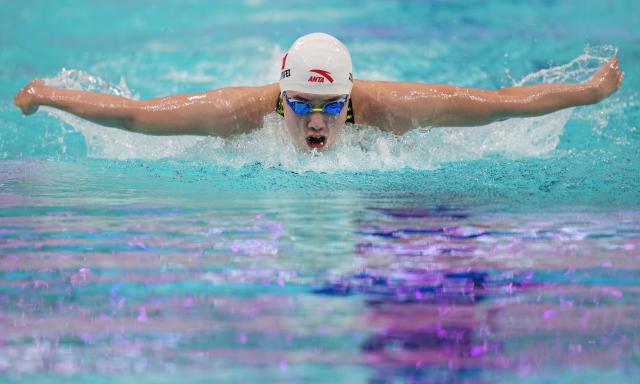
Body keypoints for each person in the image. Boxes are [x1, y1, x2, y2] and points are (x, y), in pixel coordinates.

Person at [14, 33, 623, 151]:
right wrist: (46, 92)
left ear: (350, 99)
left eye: (330, 104)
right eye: (300, 103)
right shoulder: (237, 115)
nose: (315, 119)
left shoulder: (390, 109)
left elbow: (495, 105)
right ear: (280, 99)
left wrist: (588, 95)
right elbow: (140, 118)